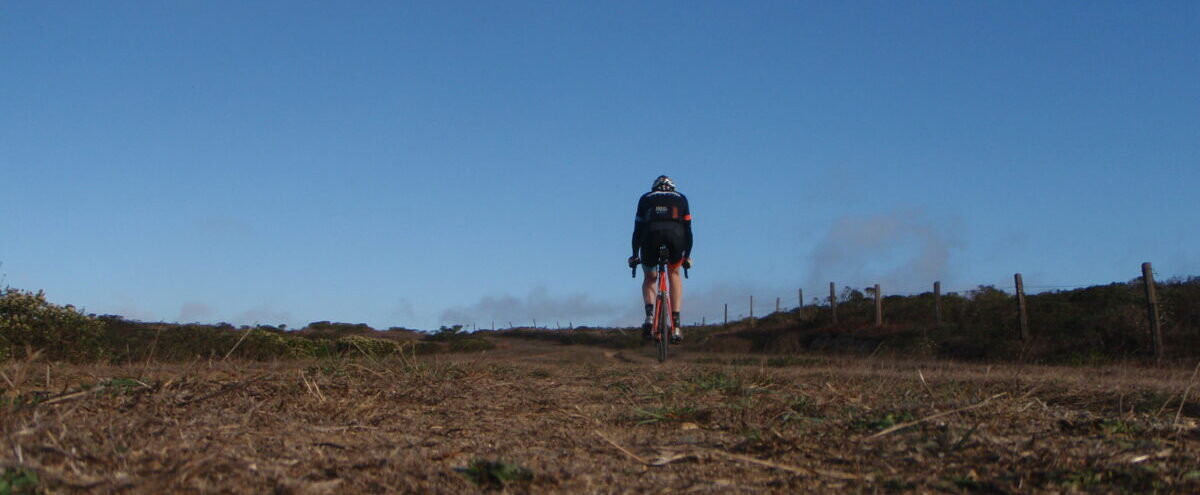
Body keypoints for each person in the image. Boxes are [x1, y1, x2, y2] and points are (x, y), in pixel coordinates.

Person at [627, 175, 692, 344]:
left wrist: (634, 255)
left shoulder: (645, 198)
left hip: (650, 237)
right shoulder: (681, 198)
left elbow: (637, 230)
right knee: (674, 273)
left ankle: (649, 316)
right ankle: (676, 325)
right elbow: (688, 231)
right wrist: (687, 256)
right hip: (676, 238)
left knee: (650, 278)